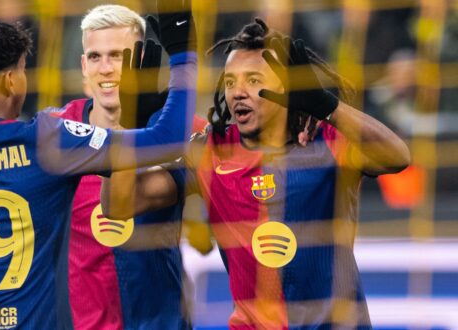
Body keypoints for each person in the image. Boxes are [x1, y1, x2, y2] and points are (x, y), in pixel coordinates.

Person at [102, 18, 411, 329]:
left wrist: (326, 106)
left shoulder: (327, 140)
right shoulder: (210, 150)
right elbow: (118, 205)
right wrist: (125, 128)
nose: (238, 92)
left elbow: (398, 158)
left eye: (252, 80)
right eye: (231, 81)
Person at [0, 3, 197, 328]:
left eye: (117, 55)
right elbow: (167, 137)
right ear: (12, 81)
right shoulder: (46, 141)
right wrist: (184, 56)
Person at [52, 4, 208, 329]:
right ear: (83, 66)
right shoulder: (55, 133)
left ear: (141, 58)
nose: (106, 68)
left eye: (119, 55)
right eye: (95, 57)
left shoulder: (181, 130)